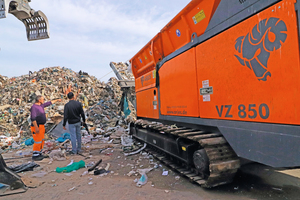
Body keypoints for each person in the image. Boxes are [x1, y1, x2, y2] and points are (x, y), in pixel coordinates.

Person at [30, 96, 61, 161]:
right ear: (39, 100)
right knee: (37, 141)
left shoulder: (41, 106)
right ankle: (35, 155)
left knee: (41, 140)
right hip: (37, 126)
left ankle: (39, 153)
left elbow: (49, 103)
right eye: (43, 99)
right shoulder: (34, 107)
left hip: (41, 126)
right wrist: (36, 127)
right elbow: (33, 118)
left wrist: (57, 100)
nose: (44, 100)